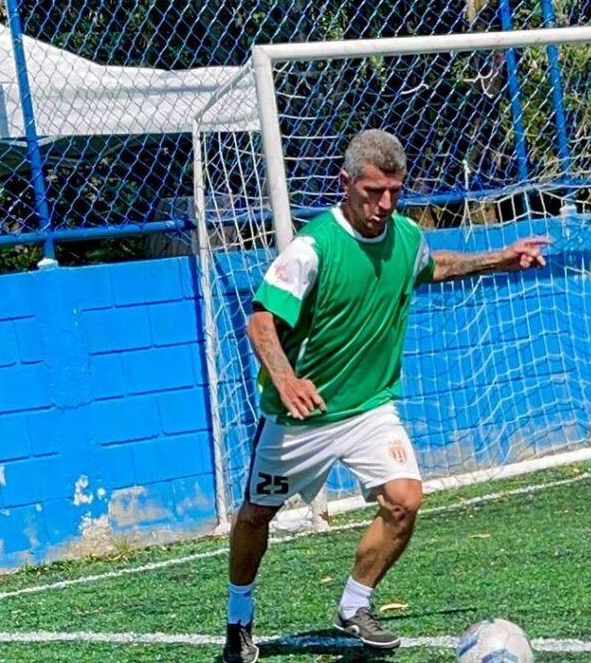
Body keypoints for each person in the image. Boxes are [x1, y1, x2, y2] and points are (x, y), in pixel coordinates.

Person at [222, 129, 550, 663]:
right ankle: (239, 618)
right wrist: (285, 379)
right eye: (373, 192)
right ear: (345, 183)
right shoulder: (313, 248)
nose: (385, 204)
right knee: (257, 515)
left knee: (405, 500)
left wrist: (499, 259)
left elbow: (433, 266)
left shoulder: (405, 236)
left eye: (395, 192)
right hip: (300, 416)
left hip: (370, 407)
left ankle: (354, 606)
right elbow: (261, 322)